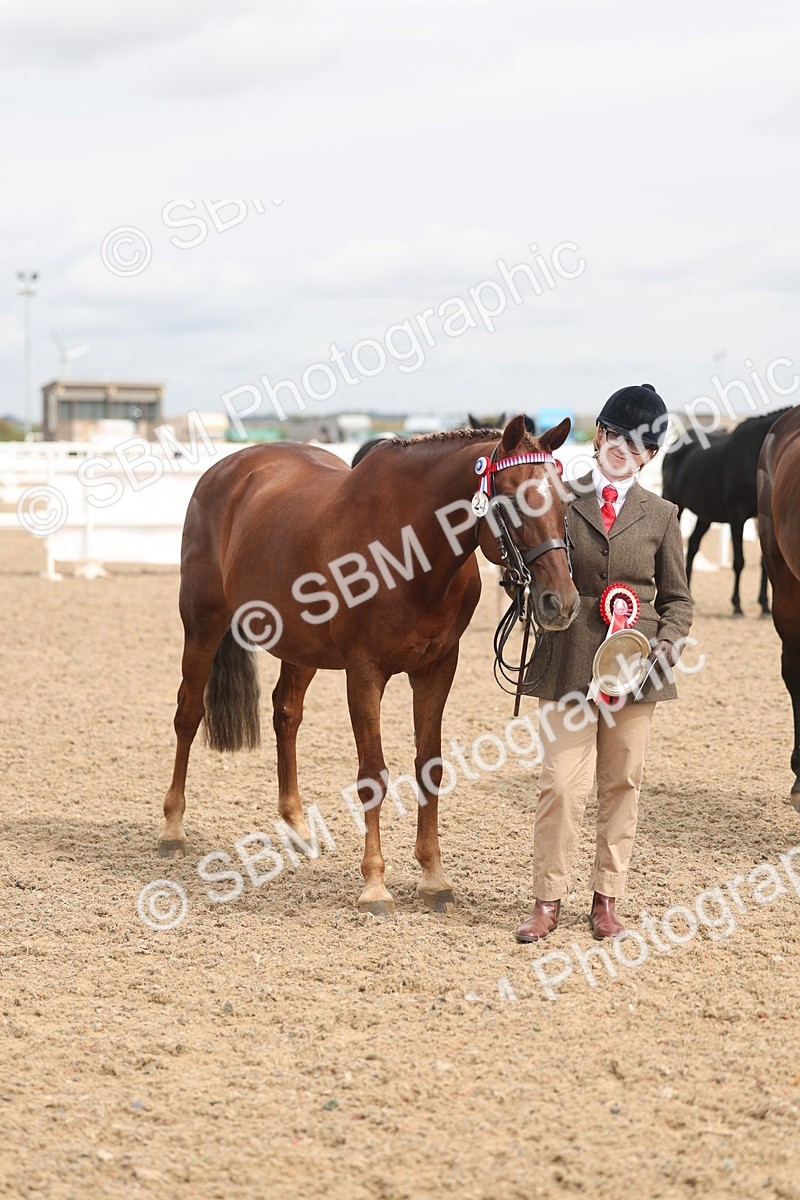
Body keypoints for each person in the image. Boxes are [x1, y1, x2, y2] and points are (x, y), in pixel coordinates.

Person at [515, 383, 693, 942]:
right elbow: (532, 564)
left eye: (636, 442)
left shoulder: (662, 516)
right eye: (614, 434)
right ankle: (547, 901)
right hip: (567, 659)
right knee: (560, 785)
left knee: (622, 784)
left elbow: (678, 599)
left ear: (649, 455)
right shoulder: (560, 500)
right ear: (599, 436)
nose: (621, 447)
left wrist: (668, 642)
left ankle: (606, 901)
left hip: (636, 668)